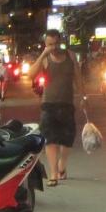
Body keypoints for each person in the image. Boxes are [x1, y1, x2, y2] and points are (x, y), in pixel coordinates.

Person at [32, 30, 84, 186]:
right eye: (50, 44)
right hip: (49, 104)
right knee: (50, 139)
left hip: (67, 104)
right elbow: (30, 74)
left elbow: (78, 77)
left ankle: (62, 164)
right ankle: (53, 173)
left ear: (60, 42)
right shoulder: (45, 58)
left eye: (56, 44)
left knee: (67, 140)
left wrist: (83, 97)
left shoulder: (70, 56)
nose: (53, 47)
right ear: (45, 44)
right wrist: (43, 54)